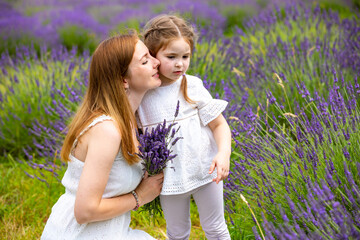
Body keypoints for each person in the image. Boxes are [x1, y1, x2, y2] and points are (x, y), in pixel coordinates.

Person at [41, 32, 164, 240]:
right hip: (79, 234)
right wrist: (139, 196)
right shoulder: (107, 130)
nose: (157, 62)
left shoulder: (134, 122)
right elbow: (84, 211)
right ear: (123, 80)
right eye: (145, 61)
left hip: (111, 232)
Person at [137, 15, 231, 240]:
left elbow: (219, 125)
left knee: (216, 228)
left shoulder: (192, 84)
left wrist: (223, 153)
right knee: (177, 233)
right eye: (171, 57)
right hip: (169, 177)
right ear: (153, 56)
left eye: (185, 56)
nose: (180, 63)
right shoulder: (143, 94)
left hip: (205, 169)